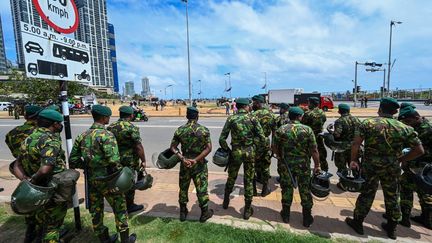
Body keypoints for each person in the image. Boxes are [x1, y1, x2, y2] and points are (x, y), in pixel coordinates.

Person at [345, 97, 424, 240]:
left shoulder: (368, 123)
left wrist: (353, 160)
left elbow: (356, 144)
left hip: (370, 167)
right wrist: (401, 159)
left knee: (367, 193)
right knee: (392, 195)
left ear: (380, 109)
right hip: (392, 168)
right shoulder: (405, 128)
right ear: (394, 111)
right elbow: (419, 150)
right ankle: (392, 229)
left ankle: (358, 222)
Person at [70, 105, 136, 243]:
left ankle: (103, 238)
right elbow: (114, 161)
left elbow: (73, 160)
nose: (109, 119)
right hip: (109, 179)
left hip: (92, 179)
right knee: (120, 208)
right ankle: (125, 239)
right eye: (108, 117)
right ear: (104, 118)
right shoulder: (107, 135)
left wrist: (88, 167)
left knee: (96, 209)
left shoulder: (82, 136)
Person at [15, 109, 67, 242]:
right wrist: (33, 180)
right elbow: (45, 169)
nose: (61, 125)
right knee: (52, 225)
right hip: (50, 189)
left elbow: (16, 165)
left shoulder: (28, 139)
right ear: (54, 124)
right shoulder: (50, 140)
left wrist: (27, 182)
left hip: (35, 191)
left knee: (40, 220)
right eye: (59, 123)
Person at [273, 107, 321, 227]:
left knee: (286, 188)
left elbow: (273, 146)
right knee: (305, 189)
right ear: (300, 117)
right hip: (303, 165)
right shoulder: (307, 130)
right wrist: (317, 165)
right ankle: (306, 217)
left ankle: (286, 214)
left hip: (286, 165)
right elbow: (314, 150)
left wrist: (279, 157)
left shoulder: (281, 129)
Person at [219, 98, 266, 220]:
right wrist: (256, 150)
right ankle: (247, 210)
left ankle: (225, 201)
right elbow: (262, 138)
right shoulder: (252, 118)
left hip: (236, 152)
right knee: (249, 180)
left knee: (231, 177)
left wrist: (229, 151)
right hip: (250, 152)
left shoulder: (231, 119)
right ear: (245, 106)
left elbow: (222, 139)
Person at [170, 107, 213, 222]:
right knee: (201, 188)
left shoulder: (180, 130)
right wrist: (196, 159)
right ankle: (204, 213)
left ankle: (183, 212)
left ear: (187, 116)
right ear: (197, 116)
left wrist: (183, 158)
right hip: (199, 164)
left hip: (185, 164)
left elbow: (173, 148)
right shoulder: (204, 130)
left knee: (183, 188)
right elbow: (209, 148)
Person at [107, 106, 147, 214]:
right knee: (130, 182)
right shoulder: (131, 128)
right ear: (131, 115)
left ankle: (119, 202)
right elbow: (138, 146)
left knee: (118, 180)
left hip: (115, 159)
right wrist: (143, 160)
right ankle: (129, 205)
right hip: (130, 161)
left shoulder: (110, 127)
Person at [398, 107, 432, 229]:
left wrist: (404, 159)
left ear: (416, 118)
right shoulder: (418, 127)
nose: (406, 124)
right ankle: (408, 217)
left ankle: (425, 218)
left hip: (423, 167)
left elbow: (418, 150)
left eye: (408, 121)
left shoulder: (426, 130)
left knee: (424, 193)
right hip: (415, 166)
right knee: (408, 189)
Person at [251, 95, 276, 196]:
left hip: (254, 143)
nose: (252, 104)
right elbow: (274, 132)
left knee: (252, 165)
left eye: (253, 102)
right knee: (266, 166)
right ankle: (265, 189)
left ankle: (253, 190)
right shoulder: (271, 115)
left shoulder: (252, 115)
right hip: (266, 142)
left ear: (257, 103)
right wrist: (273, 146)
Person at [333, 103, 361, 190]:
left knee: (341, 166)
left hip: (343, 148)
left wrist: (331, 133)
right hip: (355, 147)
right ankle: (358, 182)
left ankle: (343, 184)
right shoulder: (357, 119)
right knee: (355, 164)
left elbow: (337, 135)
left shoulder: (340, 121)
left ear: (339, 111)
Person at [302, 97, 328, 171]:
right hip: (319, 137)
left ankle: (306, 174)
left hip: (309, 138)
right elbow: (323, 121)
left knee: (306, 157)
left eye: (309, 103)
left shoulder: (308, 114)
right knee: (322, 157)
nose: (308, 104)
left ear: (311, 103)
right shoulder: (322, 112)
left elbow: (302, 124)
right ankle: (324, 174)